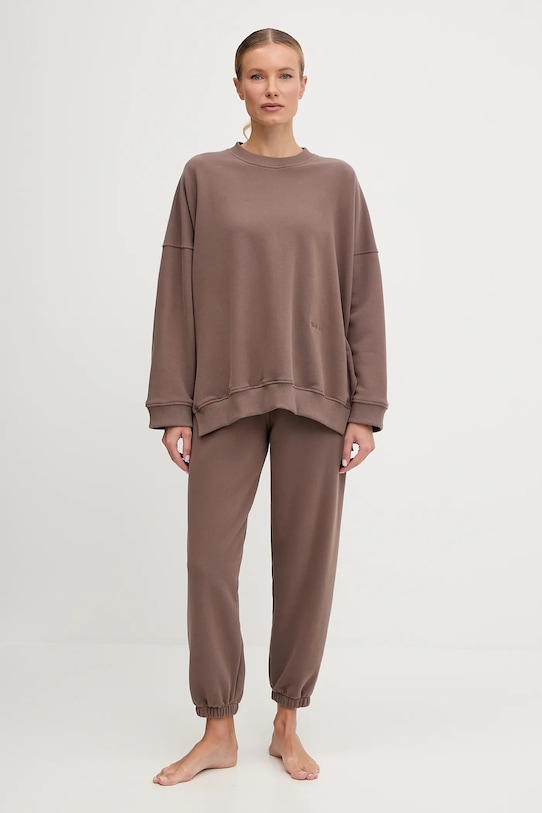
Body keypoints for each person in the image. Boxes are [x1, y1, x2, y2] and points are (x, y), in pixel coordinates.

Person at [145, 27, 388, 785]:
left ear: (304, 86)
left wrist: (366, 405)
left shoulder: (337, 181)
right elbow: (176, 293)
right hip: (222, 396)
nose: (272, 88)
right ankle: (217, 727)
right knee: (209, 563)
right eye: (257, 75)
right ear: (238, 87)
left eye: (285, 75)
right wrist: (173, 405)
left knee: (306, 564)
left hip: (320, 396)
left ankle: (287, 721)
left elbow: (362, 294)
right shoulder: (204, 177)